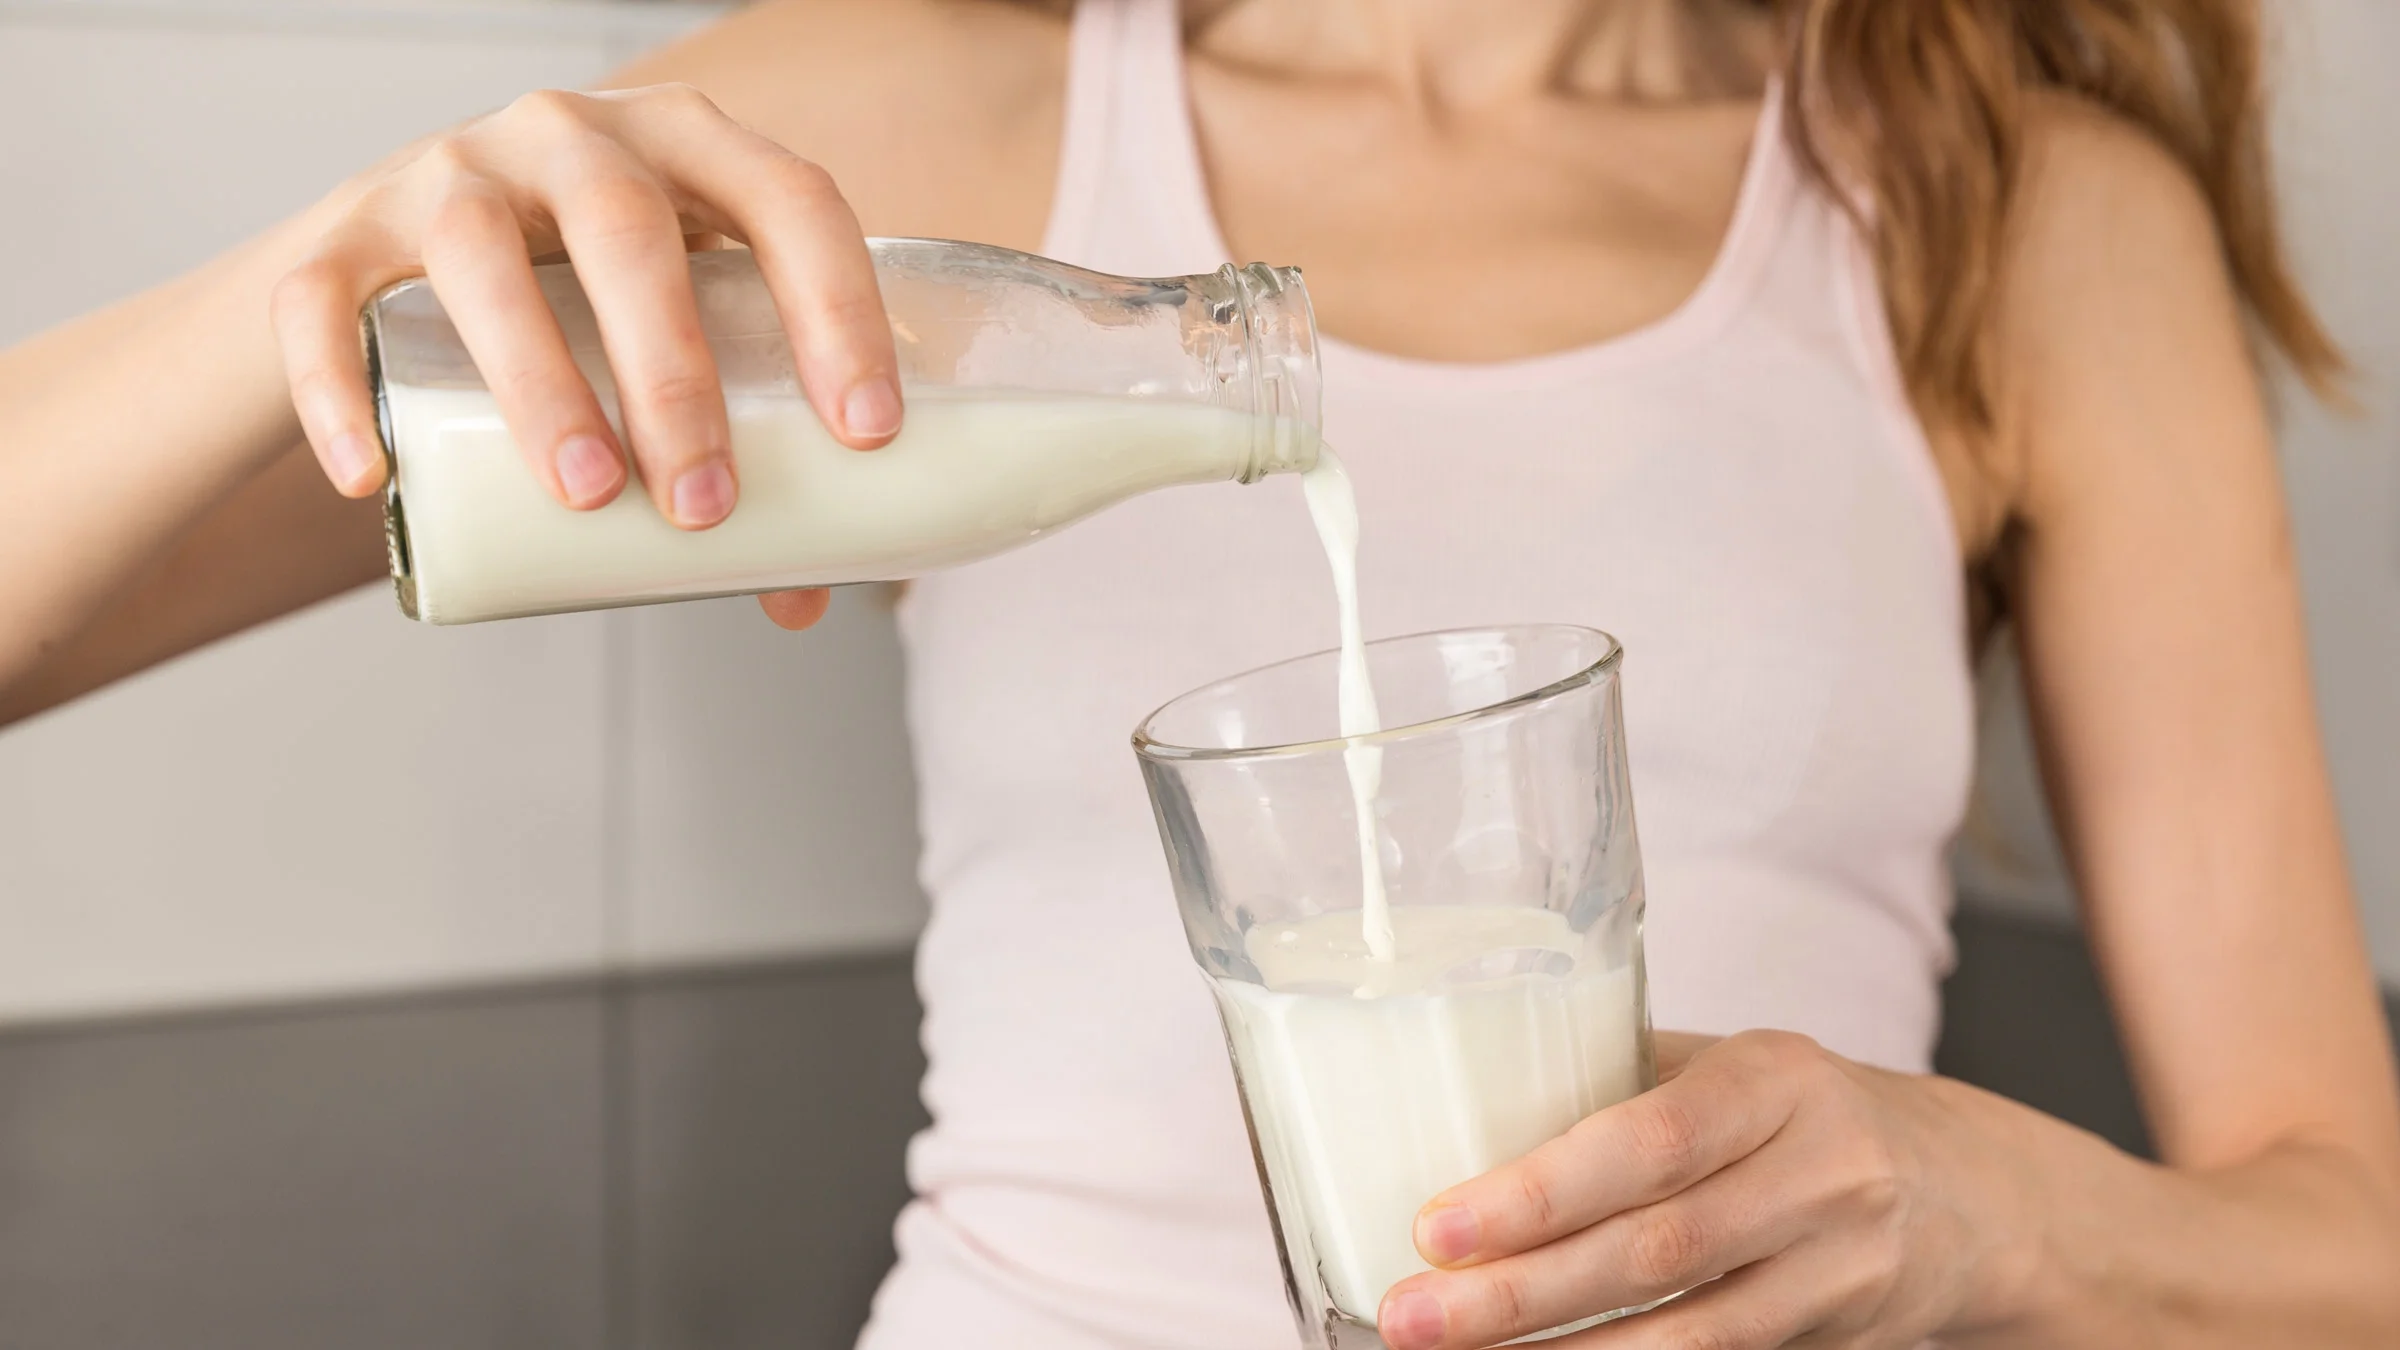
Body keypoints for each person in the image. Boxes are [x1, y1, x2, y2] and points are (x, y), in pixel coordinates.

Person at [3, 0, 2396, 1345]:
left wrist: (1987, 1204)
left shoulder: (2017, 221)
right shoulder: (935, 128)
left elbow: (2349, 1245)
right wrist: (313, 275)